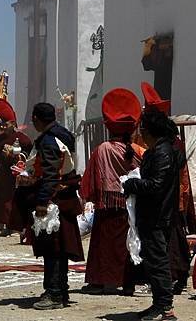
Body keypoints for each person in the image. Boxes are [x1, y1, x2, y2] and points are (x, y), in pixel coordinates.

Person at [79, 88, 145, 295]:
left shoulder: (103, 149)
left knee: (103, 245)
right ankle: (127, 283)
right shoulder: (139, 150)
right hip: (131, 206)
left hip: (107, 205)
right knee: (128, 243)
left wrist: (88, 197)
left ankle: (100, 282)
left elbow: (89, 180)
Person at [22, 102, 84, 310]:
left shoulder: (49, 141)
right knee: (59, 247)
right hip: (63, 197)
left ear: (38, 119)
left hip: (53, 201)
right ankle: (61, 290)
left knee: (53, 248)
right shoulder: (63, 134)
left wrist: (41, 201)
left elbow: (50, 174)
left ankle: (54, 293)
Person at [122, 110, 182, 321]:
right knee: (153, 262)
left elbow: (157, 185)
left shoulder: (163, 153)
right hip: (152, 214)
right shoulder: (157, 151)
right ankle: (158, 304)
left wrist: (132, 184)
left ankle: (166, 308)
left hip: (158, 215)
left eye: (143, 130)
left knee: (158, 263)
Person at [141, 82, 196, 294]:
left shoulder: (163, 148)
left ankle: (170, 290)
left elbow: (158, 181)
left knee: (170, 242)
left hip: (167, 201)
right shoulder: (169, 142)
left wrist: (135, 183)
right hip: (172, 197)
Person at [0, 99, 33, 236]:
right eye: (2, 124)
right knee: (1, 199)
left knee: (13, 199)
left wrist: (17, 154)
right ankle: (4, 224)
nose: (3, 127)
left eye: (5, 124)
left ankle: (15, 226)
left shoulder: (21, 138)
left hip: (15, 174)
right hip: (1, 173)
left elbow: (29, 152)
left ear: (12, 124)